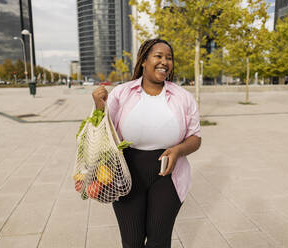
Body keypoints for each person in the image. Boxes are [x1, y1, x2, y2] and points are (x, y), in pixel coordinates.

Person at [76, 38, 201, 248]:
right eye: (158, 56)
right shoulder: (121, 93)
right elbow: (103, 130)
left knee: (159, 242)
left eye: (169, 58)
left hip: (168, 175)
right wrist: (99, 108)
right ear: (143, 60)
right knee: (132, 242)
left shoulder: (183, 97)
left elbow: (195, 138)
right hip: (126, 173)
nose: (164, 62)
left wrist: (179, 150)